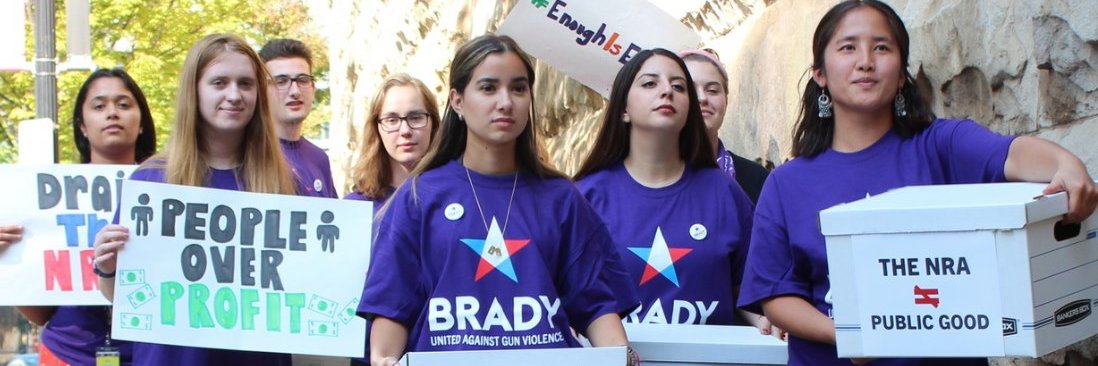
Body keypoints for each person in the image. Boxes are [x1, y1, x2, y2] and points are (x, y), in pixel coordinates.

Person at [737, 1, 1098, 365]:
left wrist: (1066, 163)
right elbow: (776, 296)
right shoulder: (786, 182)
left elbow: (1012, 154)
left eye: (882, 47)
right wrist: (854, 336)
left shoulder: (941, 145)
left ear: (901, 75)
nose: (866, 60)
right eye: (848, 47)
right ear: (820, 74)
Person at [358, 34, 639, 366]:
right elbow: (392, 307)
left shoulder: (562, 198)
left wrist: (620, 357)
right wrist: (385, 359)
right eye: (489, 88)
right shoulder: (419, 196)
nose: (505, 102)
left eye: (518, 88)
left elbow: (597, 304)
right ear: (458, 100)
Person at [92, 33, 297, 365]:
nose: (234, 95)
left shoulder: (281, 183)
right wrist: (109, 267)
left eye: (245, 84)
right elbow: (123, 299)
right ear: (195, 91)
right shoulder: (150, 180)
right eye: (219, 82)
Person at [574, 49, 761, 329]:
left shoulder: (724, 192)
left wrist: (767, 322)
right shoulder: (585, 197)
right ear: (623, 108)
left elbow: (752, 292)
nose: (667, 92)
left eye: (678, 86)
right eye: (650, 83)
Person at [11, 68, 156, 366]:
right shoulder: (42, 203)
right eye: (99, 106)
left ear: (141, 123)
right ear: (82, 126)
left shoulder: (168, 191)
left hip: (147, 356)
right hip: (65, 355)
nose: (112, 113)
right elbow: (40, 315)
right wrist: (7, 262)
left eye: (124, 104)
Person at [677, 49, 770, 205]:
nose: (702, 98)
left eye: (712, 90)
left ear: (726, 99)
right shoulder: (649, 178)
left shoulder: (757, 178)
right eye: (690, 90)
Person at [346, 73, 440, 208]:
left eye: (415, 117)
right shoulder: (354, 208)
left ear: (434, 123)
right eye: (392, 120)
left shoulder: (456, 196)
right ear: (376, 128)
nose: (405, 131)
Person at [259, 38, 337, 198]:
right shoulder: (250, 156)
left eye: (303, 80)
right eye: (281, 81)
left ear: (313, 87)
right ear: (261, 90)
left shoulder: (319, 159)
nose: (295, 91)